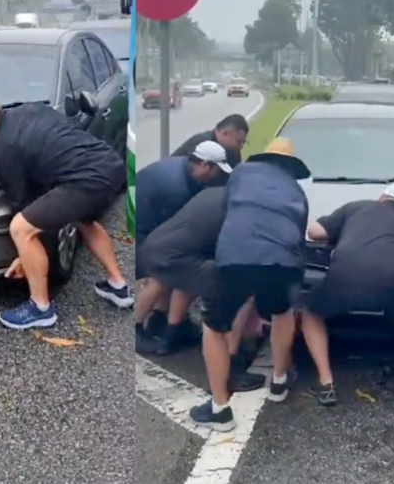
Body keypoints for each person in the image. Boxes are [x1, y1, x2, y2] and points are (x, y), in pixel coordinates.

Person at [0, 88, 132, 329]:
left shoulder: (4, 146)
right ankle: (118, 286)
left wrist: (23, 252)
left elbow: (20, 200)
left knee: (21, 228)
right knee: (86, 220)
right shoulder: (32, 107)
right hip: (109, 164)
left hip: (84, 179)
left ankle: (40, 308)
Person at [190, 137, 311, 432]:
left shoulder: (242, 173)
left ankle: (219, 409)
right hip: (284, 262)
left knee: (214, 325)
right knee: (282, 311)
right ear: (290, 168)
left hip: (237, 255)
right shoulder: (297, 192)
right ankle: (279, 381)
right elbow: (298, 233)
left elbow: (228, 213)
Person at [301, 185, 394, 406]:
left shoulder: (356, 207)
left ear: (381, 198)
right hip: (391, 281)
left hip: (344, 277)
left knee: (310, 312)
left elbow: (314, 232)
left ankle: (326, 383)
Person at [137, 186, 265, 393]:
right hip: (175, 257)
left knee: (189, 281)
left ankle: (172, 333)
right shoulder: (242, 208)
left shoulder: (213, 192)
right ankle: (231, 368)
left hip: (159, 247)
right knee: (242, 295)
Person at [133, 142, 232, 352]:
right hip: (142, 224)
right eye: (216, 170)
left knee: (170, 271)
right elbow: (179, 227)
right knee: (158, 277)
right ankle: (136, 328)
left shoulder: (184, 168)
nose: (216, 176)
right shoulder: (176, 187)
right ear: (204, 165)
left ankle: (160, 318)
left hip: (153, 222)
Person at [172, 114, 248, 169]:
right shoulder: (200, 144)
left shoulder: (232, 150)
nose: (241, 147)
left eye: (243, 142)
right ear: (225, 134)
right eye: (238, 142)